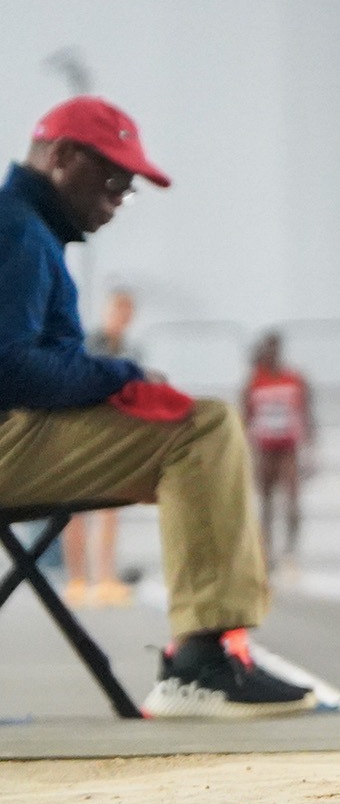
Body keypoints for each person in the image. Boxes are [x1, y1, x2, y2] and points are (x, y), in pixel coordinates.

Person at [0, 95, 314, 716]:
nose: (119, 200)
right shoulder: (17, 232)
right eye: (113, 182)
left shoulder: (24, 229)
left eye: (129, 190)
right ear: (62, 157)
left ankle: (205, 653)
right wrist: (122, 376)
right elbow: (8, 368)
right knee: (201, 429)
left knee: (187, 430)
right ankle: (203, 664)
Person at [62, 286, 141, 607]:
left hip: (114, 435)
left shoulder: (131, 349)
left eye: (127, 311)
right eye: (118, 310)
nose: (122, 317)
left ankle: (105, 577)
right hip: (83, 432)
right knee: (75, 511)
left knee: (109, 509)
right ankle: (77, 578)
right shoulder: (88, 345)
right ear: (108, 311)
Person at [241, 330, 314, 571]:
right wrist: (248, 456)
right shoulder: (253, 382)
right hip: (265, 449)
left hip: (288, 448)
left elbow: (308, 415)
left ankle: (290, 550)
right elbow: (245, 420)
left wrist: (311, 452)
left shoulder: (295, 379)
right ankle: (267, 552)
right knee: (266, 503)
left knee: (292, 501)